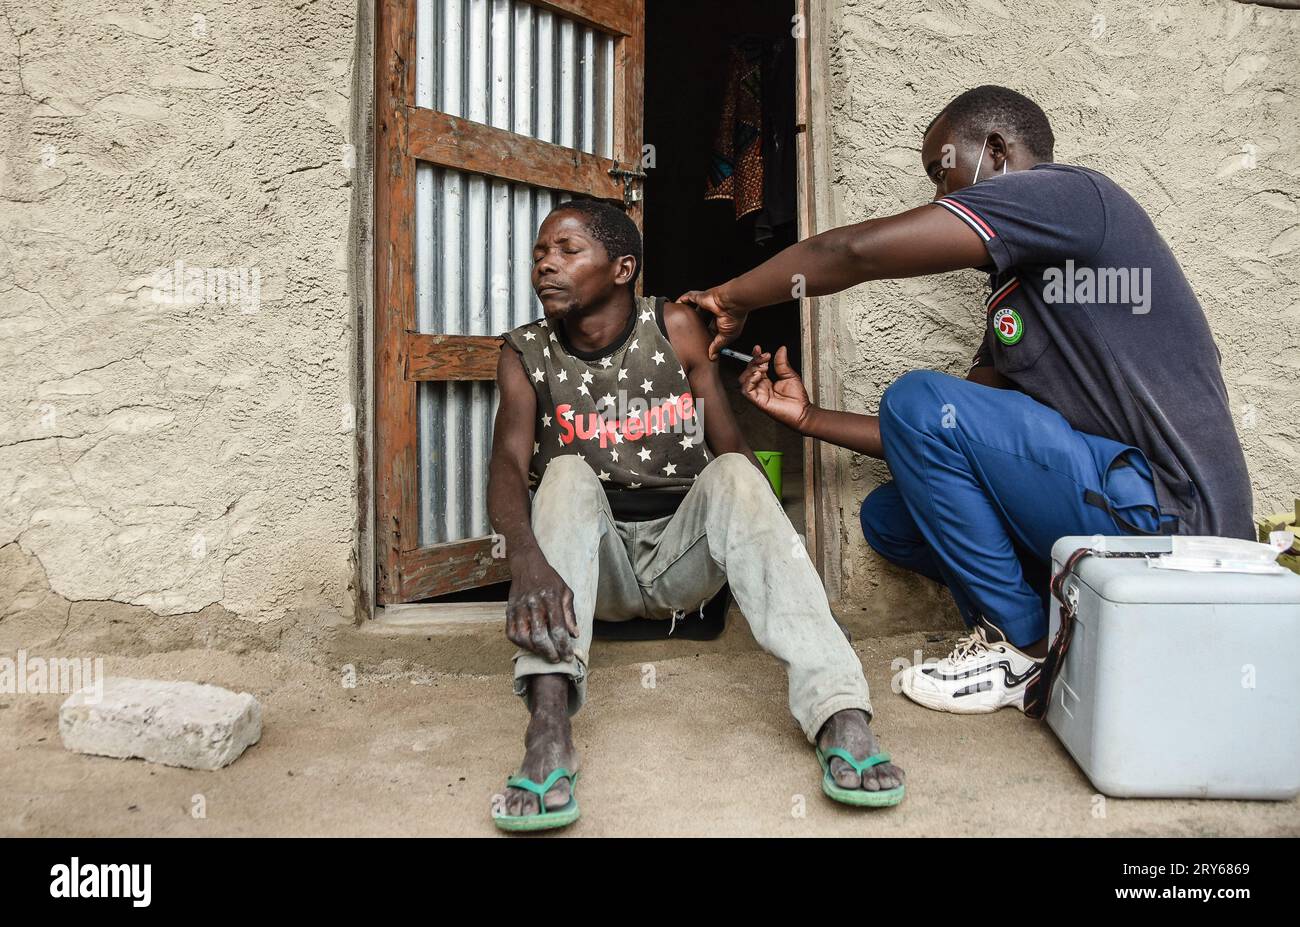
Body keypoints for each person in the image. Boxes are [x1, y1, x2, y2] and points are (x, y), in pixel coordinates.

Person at [678, 85, 1253, 716]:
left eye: (942, 172)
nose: (938, 198)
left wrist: (732, 298)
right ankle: (1063, 621)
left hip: (1173, 517)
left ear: (999, 152)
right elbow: (949, 437)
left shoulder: (1076, 197)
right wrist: (810, 420)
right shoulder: (1017, 293)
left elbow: (852, 253)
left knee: (916, 396)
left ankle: (1020, 649)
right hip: (1109, 504)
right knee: (891, 519)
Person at [487, 199, 904, 832]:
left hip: (682, 561)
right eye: (542, 252)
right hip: (590, 572)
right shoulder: (524, 352)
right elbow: (509, 466)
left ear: (623, 268)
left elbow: (729, 452)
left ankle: (839, 709)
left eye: (568, 250)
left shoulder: (675, 326)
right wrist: (524, 560)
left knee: (740, 473)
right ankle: (547, 727)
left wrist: (781, 571)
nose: (546, 264)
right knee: (566, 472)